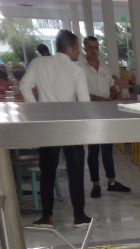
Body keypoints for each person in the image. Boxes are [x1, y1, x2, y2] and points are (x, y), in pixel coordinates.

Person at [19, 29, 92, 228]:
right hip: (71, 127)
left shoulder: (38, 63)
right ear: (69, 49)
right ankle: (79, 216)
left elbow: (24, 86)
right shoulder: (76, 70)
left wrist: (37, 111)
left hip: (47, 125)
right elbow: (84, 103)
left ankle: (47, 217)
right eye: (78, 47)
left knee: (47, 172)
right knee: (75, 172)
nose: (80, 51)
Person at [79, 35, 130, 198]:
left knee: (108, 149)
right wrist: (95, 98)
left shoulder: (105, 68)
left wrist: (112, 95)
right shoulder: (80, 68)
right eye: (90, 47)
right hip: (90, 112)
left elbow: (112, 88)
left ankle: (112, 182)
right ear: (85, 48)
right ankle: (95, 184)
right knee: (93, 150)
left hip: (106, 112)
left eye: (96, 47)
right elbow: (77, 92)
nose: (94, 50)